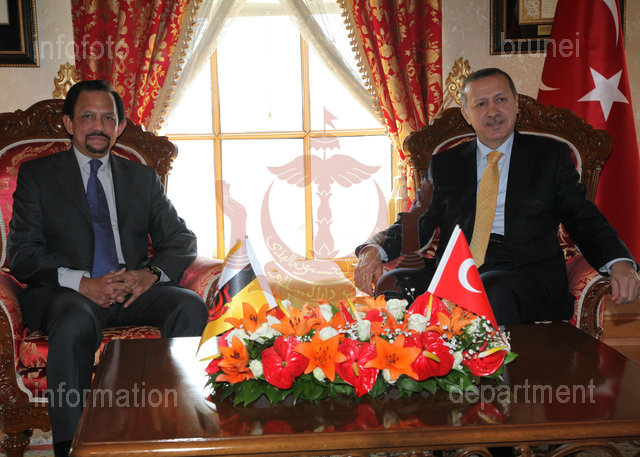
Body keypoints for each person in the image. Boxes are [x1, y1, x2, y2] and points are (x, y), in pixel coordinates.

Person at [7, 80, 208, 457]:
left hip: (133, 289)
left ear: (120, 126)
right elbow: (22, 254)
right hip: (66, 294)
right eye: (88, 117)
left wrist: (149, 275)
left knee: (189, 306)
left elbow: (181, 240)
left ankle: (177, 430)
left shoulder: (142, 178)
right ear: (69, 123)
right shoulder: (38, 175)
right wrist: (82, 283)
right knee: (74, 320)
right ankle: (71, 446)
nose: (98, 126)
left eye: (108, 118)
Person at [354, 67, 640, 324]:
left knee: (490, 291)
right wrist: (374, 249)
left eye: (501, 99)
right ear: (467, 114)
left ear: (516, 104)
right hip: (457, 268)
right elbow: (417, 220)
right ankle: (415, 365)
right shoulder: (445, 164)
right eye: (480, 104)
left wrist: (619, 261)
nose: (492, 111)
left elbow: (583, 217)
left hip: (525, 273)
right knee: (394, 284)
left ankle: (492, 370)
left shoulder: (549, 157)